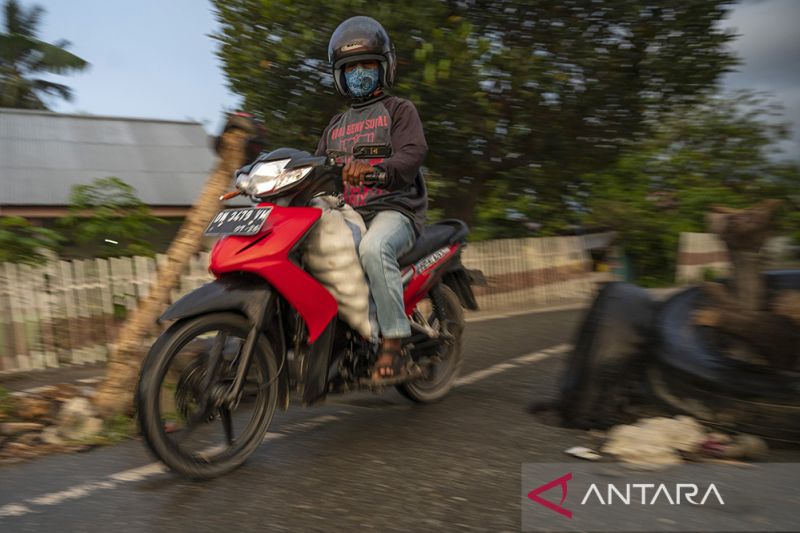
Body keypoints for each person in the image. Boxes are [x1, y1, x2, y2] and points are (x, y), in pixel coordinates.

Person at [315, 16, 428, 381]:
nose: (359, 73)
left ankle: (393, 342)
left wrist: (376, 170)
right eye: (351, 68)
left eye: (367, 65)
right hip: (348, 212)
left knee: (373, 248)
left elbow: (412, 154)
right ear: (340, 75)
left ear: (384, 68)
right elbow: (314, 167)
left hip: (395, 209)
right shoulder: (334, 125)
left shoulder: (399, 110)